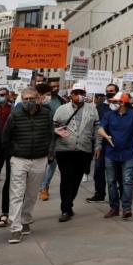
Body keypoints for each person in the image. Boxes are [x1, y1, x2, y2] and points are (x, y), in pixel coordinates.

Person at [3, 87, 54, 244]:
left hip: (39, 158)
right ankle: (15, 228)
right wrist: (11, 154)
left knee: (32, 193)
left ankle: (25, 219)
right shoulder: (15, 114)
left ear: (38, 98)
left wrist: (50, 151)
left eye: (31, 98)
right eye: (25, 99)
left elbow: (50, 133)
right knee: (17, 193)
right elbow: (6, 136)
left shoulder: (46, 114)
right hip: (19, 159)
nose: (28, 101)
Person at [52, 85, 100, 222]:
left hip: (84, 149)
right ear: (71, 94)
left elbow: (97, 128)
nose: (78, 95)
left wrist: (97, 146)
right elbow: (53, 126)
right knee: (66, 178)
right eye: (76, 93)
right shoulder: (61, 109)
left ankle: (69, 203)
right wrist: (54, 135)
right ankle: (65, 209)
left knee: (76, 179)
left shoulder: (92, 109)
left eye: (81, 93)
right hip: (64, 149)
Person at [98, 91, 133, 219]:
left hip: (128, 154)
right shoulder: (108, 115)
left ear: (123, 103)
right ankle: (114, 208)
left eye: (115, 102)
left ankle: (127, 208)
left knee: (127, 181)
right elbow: (100, 128)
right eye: (112, 102)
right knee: (111, 182)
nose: (112, 104)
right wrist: (106, 136)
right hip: (111, 154)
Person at [86, 84, 118, 204]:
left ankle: (117, 194)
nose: (110, 93)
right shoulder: (100, 107)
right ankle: (99, 194)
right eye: (107, 91)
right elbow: (97, 125)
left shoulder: (122, 105)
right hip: (102, 144)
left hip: (117, 143)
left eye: (112, 91)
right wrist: (97, 145)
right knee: (99, 169)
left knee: (116, 171)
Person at [37, 83, 65, 202]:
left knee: (52, 162)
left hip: (56, 135)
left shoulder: (60, 100)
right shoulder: (37, 103)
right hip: (40, 136)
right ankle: (39, 184)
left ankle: (44, 186)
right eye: (51, 87)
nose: (55, 88)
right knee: (40, 163)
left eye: (56, 86)